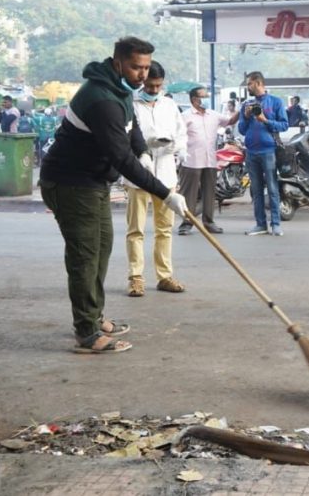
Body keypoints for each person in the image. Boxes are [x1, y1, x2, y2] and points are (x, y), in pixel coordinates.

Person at [39, 37, 188, 354]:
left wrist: (143, 151)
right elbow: (121, 159)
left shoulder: (119, 90)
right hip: (70, 183)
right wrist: (164, 193)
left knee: (100, 250)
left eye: (146, 67)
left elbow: (130, 129)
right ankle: (87, 333)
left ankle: (93, 316)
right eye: (136, 66)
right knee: (85, 257)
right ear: (118, 62)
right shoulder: (100, 98)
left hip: (92, 182)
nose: (142, 74)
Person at [124, 61, 188, 297]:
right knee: (136, 230)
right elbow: (126, 136)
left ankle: (164, 276)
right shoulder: (131, 104)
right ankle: (135, 277)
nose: (153, 90)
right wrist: (146, 146)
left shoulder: (170, 105)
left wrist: (173, 145)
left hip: (166, 172)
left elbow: (182, 135)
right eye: (150, 86)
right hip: (139, 173)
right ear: (143, 82)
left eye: (158, 86)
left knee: (165, 229)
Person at [178, 86, 237, 236]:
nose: (205, 99)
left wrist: (242, 111)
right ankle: (186, 223)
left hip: (210, 160)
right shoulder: (185, 116)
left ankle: (209, 222)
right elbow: (178, 135)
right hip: (191, 160)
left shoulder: (213, 115)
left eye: (206, 96)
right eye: (202, 96)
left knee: (210, 193)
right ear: (194, 99)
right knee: (188, 194)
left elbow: (229, 121)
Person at [238, 71, 289, 236]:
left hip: (269, 151)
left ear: (258, 83)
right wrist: (246, 117)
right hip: (251, 153)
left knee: (273, 189)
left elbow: (284, 125)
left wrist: (265, 120)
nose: (248, 87)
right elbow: (242, 130)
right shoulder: (247, 104)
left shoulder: (275, 102)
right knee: (256, 190)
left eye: (249, 84)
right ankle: (260, 224)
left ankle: (276, 224)